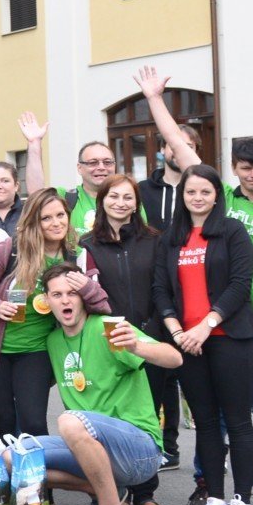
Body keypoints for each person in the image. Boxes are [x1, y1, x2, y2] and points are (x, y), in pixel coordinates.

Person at [135, 72, 253, 505]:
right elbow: (181, 147)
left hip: (247, 330)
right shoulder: (195, 222)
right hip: (192, 338)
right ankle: (210, 490)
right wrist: (154, 99)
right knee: (208, 420)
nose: (198, 196)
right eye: (246, 167)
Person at [35, 262, 186, 505]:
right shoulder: (54, 341)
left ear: (84, 297)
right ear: (47, 301)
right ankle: (108, 490)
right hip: (90, 447)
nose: (65, 300)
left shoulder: (108, 329)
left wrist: (136, 347)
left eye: (72, 293)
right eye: (57, 294)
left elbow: (174, 358)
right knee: (14, 457)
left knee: (69, 420)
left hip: (139, 450)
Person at [153, 164, 253, 505]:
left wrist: (205, 325)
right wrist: (176, 330)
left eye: (205, 192)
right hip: (187, 344)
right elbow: (160, 290)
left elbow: (239, 285)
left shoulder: (232, 231)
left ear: (217, 195)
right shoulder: (171, 238)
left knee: (237, 422)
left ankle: (242, 502)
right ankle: (215, 499)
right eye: (190, 192)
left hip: (229, 339)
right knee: (205, 424)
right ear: (182, 196)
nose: (197, 198)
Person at [0, 191, 107, 440]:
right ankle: (6, 476)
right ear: (34, 223)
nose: (56, 223)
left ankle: (38, 477)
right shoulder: (12, 250)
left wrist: (84, 286)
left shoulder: (75, 255)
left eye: (60, 215)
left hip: (38, 349)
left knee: (33, 422)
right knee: (2, 421)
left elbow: (101, 304)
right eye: (46, 218)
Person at [80, 174, 180, 483]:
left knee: (146, 413)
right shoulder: (87, 245)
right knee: (112, 415)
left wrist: (151, 326)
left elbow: (163, 286)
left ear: (136, 204)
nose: (120, 203)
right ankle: (114, 491)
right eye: (113, 196)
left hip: (150, 336)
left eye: (127, 197)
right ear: (102, 201)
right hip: (109, 340)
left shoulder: (154, 240)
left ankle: (147, 492)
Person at [17, 112, 118, 240]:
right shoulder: (65, 198)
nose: (101, 167)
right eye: (93, 162)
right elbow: (36, 194)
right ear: (79, 168)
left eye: (107, 162)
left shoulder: (127, 202)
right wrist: (34, 144)